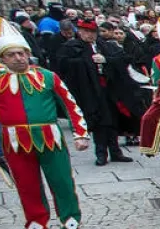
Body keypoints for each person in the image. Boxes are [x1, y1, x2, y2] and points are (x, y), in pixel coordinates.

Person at [0, 18, 95, 229]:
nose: (19, 58)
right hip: (15, 142)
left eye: (22, 53)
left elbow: (70, 105)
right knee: (28, 187)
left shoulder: (48, 76)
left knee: (62, 183)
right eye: (12, 55)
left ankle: (72, 227)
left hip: (50, 138)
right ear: (2, 58)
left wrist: (80, 133)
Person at [53, 20, 127, 165]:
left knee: (112, 120)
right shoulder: (71, 47)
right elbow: (63, 65)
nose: (90, 35)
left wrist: (105, 60)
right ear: (79, 32)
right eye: (86, 31)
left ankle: (115, 151)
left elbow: (121, 59)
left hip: (108, 89)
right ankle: (101, 153)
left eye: (93, 32)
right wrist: (87, 62)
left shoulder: (104, 45)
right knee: (98, 121)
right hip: (89, 90)